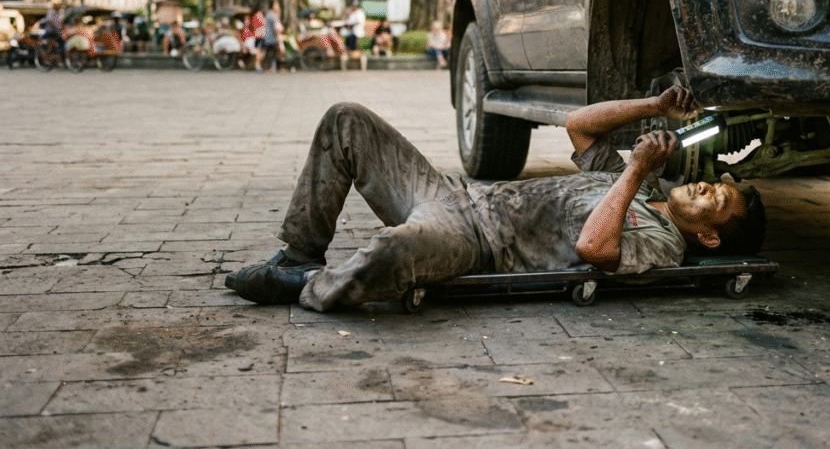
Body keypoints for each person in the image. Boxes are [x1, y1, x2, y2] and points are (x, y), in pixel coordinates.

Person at [225, 86, 766, 311]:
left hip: (473, 241)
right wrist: (656, 105)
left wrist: (637, 170)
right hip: (453, 195)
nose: (707, 186)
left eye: (718, 200)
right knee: (347, 120)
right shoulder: (643, 189)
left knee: (393, 252)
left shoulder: (664, 243)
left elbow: (596, 249)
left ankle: (305, 288)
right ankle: (300, 253)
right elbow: (579, 127)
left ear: (710, 235)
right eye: (717, 181)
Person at [263, 1, 284, 71]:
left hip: (268, 37)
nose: (278, 7)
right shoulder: (273, 15)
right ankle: (277, 68)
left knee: (270, 52)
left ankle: (268, 68)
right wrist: (279, 35)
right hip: (272, 37)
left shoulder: (268, 14)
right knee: (274, 52)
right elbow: (277, 27)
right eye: (276, 5)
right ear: (272, 6)